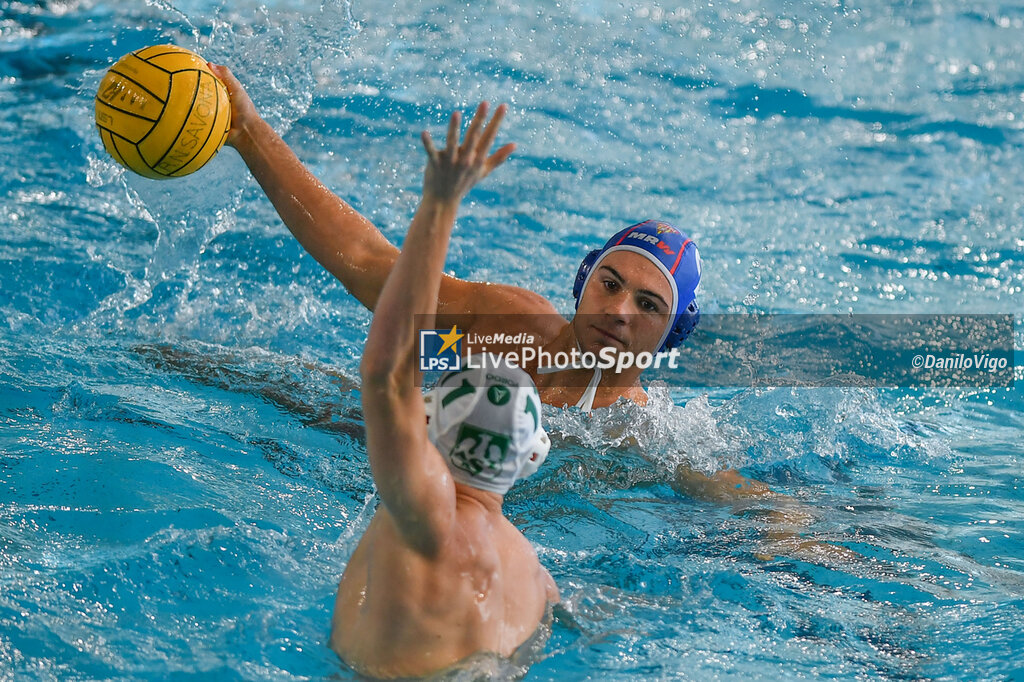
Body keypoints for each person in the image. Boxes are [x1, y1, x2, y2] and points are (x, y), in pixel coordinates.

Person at [207, 62, 767, 502]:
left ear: (672, 334)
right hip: (354, 449)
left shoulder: (648, 436)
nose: (619, 311)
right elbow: (368, 264)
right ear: (583, 278)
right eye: (611, 283)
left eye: (648, 304)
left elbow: (745, 501)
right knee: (215, 373)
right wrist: (251, 133)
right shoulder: (508, 322)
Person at [328, 103, 558, 677]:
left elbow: (387, 372)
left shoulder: (425, 516)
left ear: (427, 420)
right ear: (533, 457)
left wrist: (440, 204)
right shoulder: (537, 579)